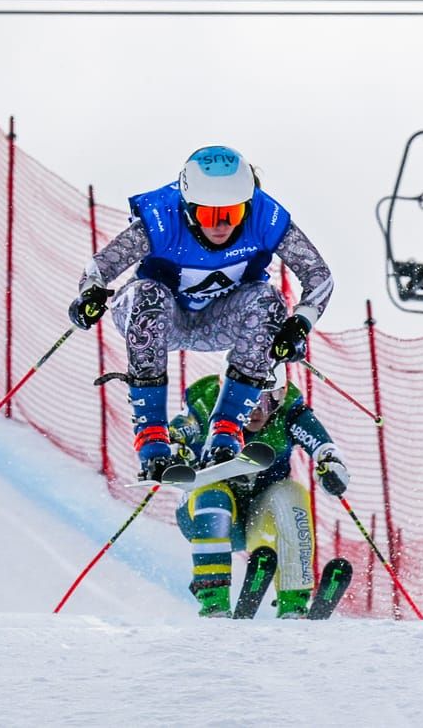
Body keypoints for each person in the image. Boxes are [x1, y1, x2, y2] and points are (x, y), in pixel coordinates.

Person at [66, 146, 332, 482]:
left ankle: (225, 434)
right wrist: (88, 294)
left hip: (221, 322)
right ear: (189, 209)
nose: (221, 226)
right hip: (160, 320)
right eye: (209, 216)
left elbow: (319, 276)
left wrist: (299, 324)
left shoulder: (265, 217)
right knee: (147, 295)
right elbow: (99, 268)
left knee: (270, 301)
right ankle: (152, 442)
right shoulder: (163, 217)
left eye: (232, 214)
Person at [172, 374, 351, 618]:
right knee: (213, 496)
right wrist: (173, 443)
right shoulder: (206, 403)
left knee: (291, 492)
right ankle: (215, 604)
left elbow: (322, 446)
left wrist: (331, 467)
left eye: (269, 401)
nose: (257, 411)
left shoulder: (288, 412)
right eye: (248, 402)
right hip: (204, 516)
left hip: (257, 519)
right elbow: (183, 426)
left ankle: (293, 601)